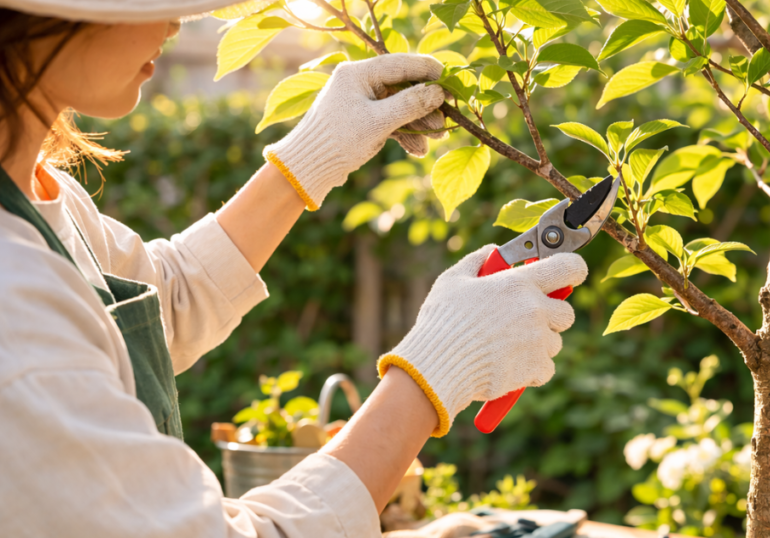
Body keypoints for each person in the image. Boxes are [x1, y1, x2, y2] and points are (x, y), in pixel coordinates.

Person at [0, 1, 588, 536]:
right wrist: (432, 373)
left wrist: (309, 158)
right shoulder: (14, 307)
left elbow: (155, 306)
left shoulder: (42, 195)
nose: (178, 23)